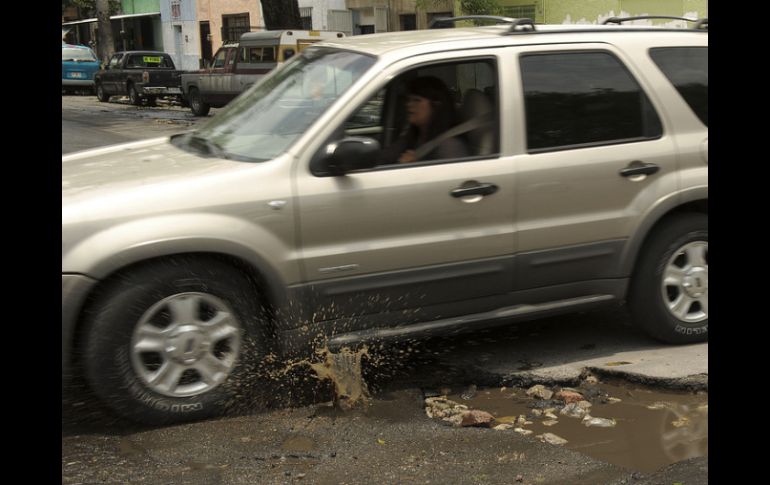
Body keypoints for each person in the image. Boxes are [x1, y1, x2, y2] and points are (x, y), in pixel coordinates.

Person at [377, 76, 469, 164]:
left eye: (416, 100)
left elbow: (451, 178)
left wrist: (411, 167)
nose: (408, 104)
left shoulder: (450, 146)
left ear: (436, 105)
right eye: (408, 100)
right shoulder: (414, 135)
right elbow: (385, 156)